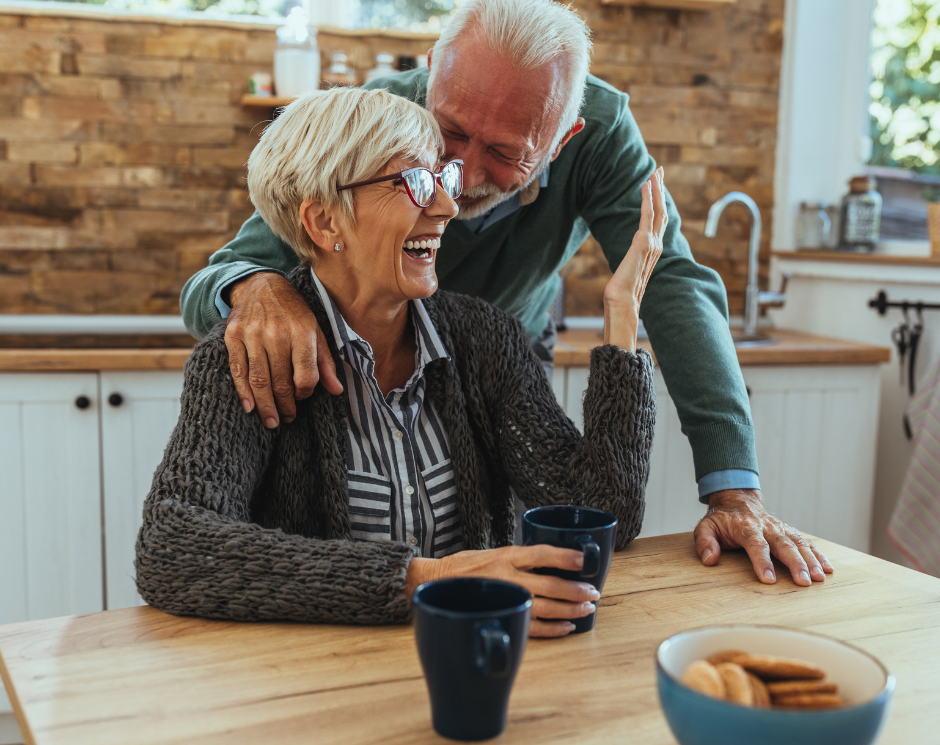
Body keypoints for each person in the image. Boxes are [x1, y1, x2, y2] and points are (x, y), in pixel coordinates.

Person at [179, 0, 833, 587]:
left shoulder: (600, 135)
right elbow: (227, 272)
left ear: (564, 139)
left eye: (504, 152)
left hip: (504, 364)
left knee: (492, 538)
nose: (457, 178)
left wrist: (733, 490)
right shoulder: (376, 120)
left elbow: (671, 283)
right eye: (449, 133)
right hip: (349, 375)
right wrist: (258, 287)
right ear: (431, 71)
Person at [137, 88, 661, 637]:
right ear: (324, 222)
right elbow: (173, 546)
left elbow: (603, 512)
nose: (446, 207)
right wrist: (426, 578)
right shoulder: (246, 359)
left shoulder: (487, 341)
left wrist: (622, 315)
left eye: (442, 180)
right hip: (318, 683)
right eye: (412, 183)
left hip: (475, 665)